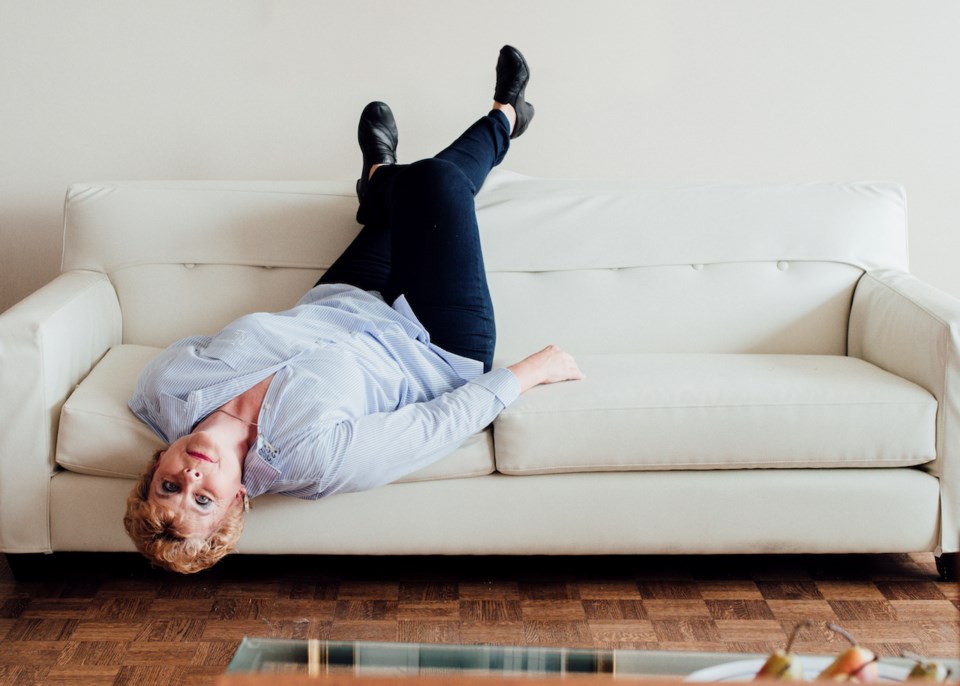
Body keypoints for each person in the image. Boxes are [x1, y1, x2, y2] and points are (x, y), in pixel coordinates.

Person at [124, 46, 584, 574]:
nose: (193, 477)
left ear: (155, 465)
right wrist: (530, 372)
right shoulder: (310, 462)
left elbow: (200, 346)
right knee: (434, 184)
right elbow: (434, 425)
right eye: (202, 499)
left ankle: (390, 177)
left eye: (169, 485)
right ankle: (484, 127)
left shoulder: (167, 386)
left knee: (418, 195)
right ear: (235, 502)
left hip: (341, 300)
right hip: (433, 344)